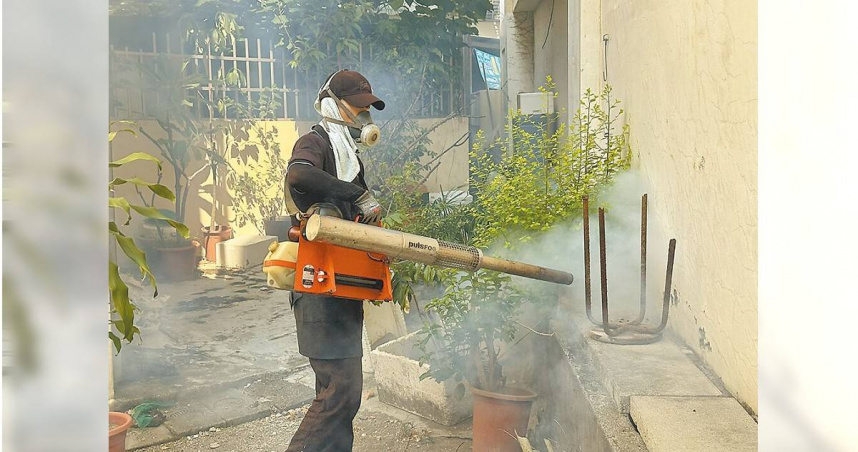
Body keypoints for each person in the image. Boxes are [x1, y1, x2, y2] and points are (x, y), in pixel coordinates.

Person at [284, 69, 385, 452]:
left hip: (343, 286)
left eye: (368, 109)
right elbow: (299, 177)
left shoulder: (348, 156)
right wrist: (357, 196)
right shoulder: (316, 142)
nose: (364, 117)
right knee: (342, 393)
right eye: (358, 108)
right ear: (333, 105)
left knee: (337, 394)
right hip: (318, 287)